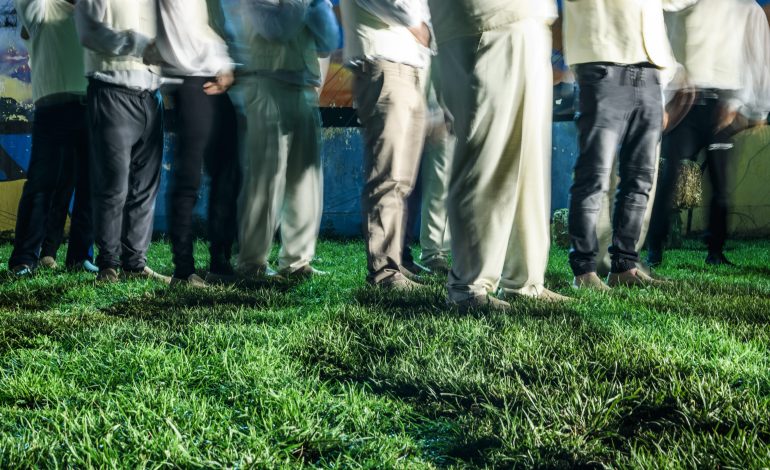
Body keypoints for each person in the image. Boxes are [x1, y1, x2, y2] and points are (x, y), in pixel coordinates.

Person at [428, 0, 569, 310]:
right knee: (486, 160)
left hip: (518, 23)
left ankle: (524, 281)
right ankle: (469, 286)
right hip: (489, 21)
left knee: (528, 164)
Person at [563, 0, 694, 290]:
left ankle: (624, 265)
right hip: (601, 59)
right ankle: (584, 271)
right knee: (593, 175)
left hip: (649, 68)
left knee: (640, 177)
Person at [647, 0, 770, 267]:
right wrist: (666, 96)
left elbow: (756, 57)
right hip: (686, 102)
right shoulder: (680, 3)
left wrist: (739, 104)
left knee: (721, 184)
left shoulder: (745, 7)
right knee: (668, 179)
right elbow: (663, 34)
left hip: (721, 103)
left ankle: (715, 251)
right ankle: (654, 247)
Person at [234, 0, 339, 280]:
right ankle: (252, 262)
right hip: (266, 83)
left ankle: (298, 261)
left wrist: (316, 7)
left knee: (306, 181)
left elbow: (329, 40)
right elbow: (275, 29)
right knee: (266, 179)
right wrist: (306, 5)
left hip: (303, 85)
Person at [340, 0, 432, 290]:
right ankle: (384, 271)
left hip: (408, 67)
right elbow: (403, 9)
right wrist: (421, 27)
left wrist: (422, 27)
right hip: (383, 65)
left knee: (401, 179)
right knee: (387, 175)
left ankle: (396, 264)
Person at [75, 0, 169, 283]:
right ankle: (109, 264)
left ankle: (135, 263)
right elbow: (88, 32)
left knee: (145, 187)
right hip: (112, 90)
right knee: (113, 185)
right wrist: (136, 43)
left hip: (152, 96)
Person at [151, 0, 240, 287]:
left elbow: (203, 30)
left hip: (210, 78)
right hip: (190, 80)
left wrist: (223, 65)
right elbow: (186, 32)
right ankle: (184, 269)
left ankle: (220, 260)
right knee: (188, 177)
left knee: (228, 172)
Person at [8, 0, 95, 276]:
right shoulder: (41, 8)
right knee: (41, 184)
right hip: (52, 108)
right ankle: (24, 259)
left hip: (91, 104)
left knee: (89, 187)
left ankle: (80, 257)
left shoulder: (89, 11)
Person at [418, 64, 454, 276]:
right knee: (440, 173)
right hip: (438, 83)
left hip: (461, 85)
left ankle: (444, 247)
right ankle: (433, 252)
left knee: (454, 174)